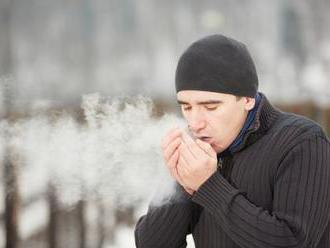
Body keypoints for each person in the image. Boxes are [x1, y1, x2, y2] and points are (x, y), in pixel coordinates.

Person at [134, 34, 330, 247]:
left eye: (211, 107)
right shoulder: (197, 152)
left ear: (247, 99)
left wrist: (208, 185)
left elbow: (292, 242)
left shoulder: (302, 142)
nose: (195, 122)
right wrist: (181, 183)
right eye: (187, 107)